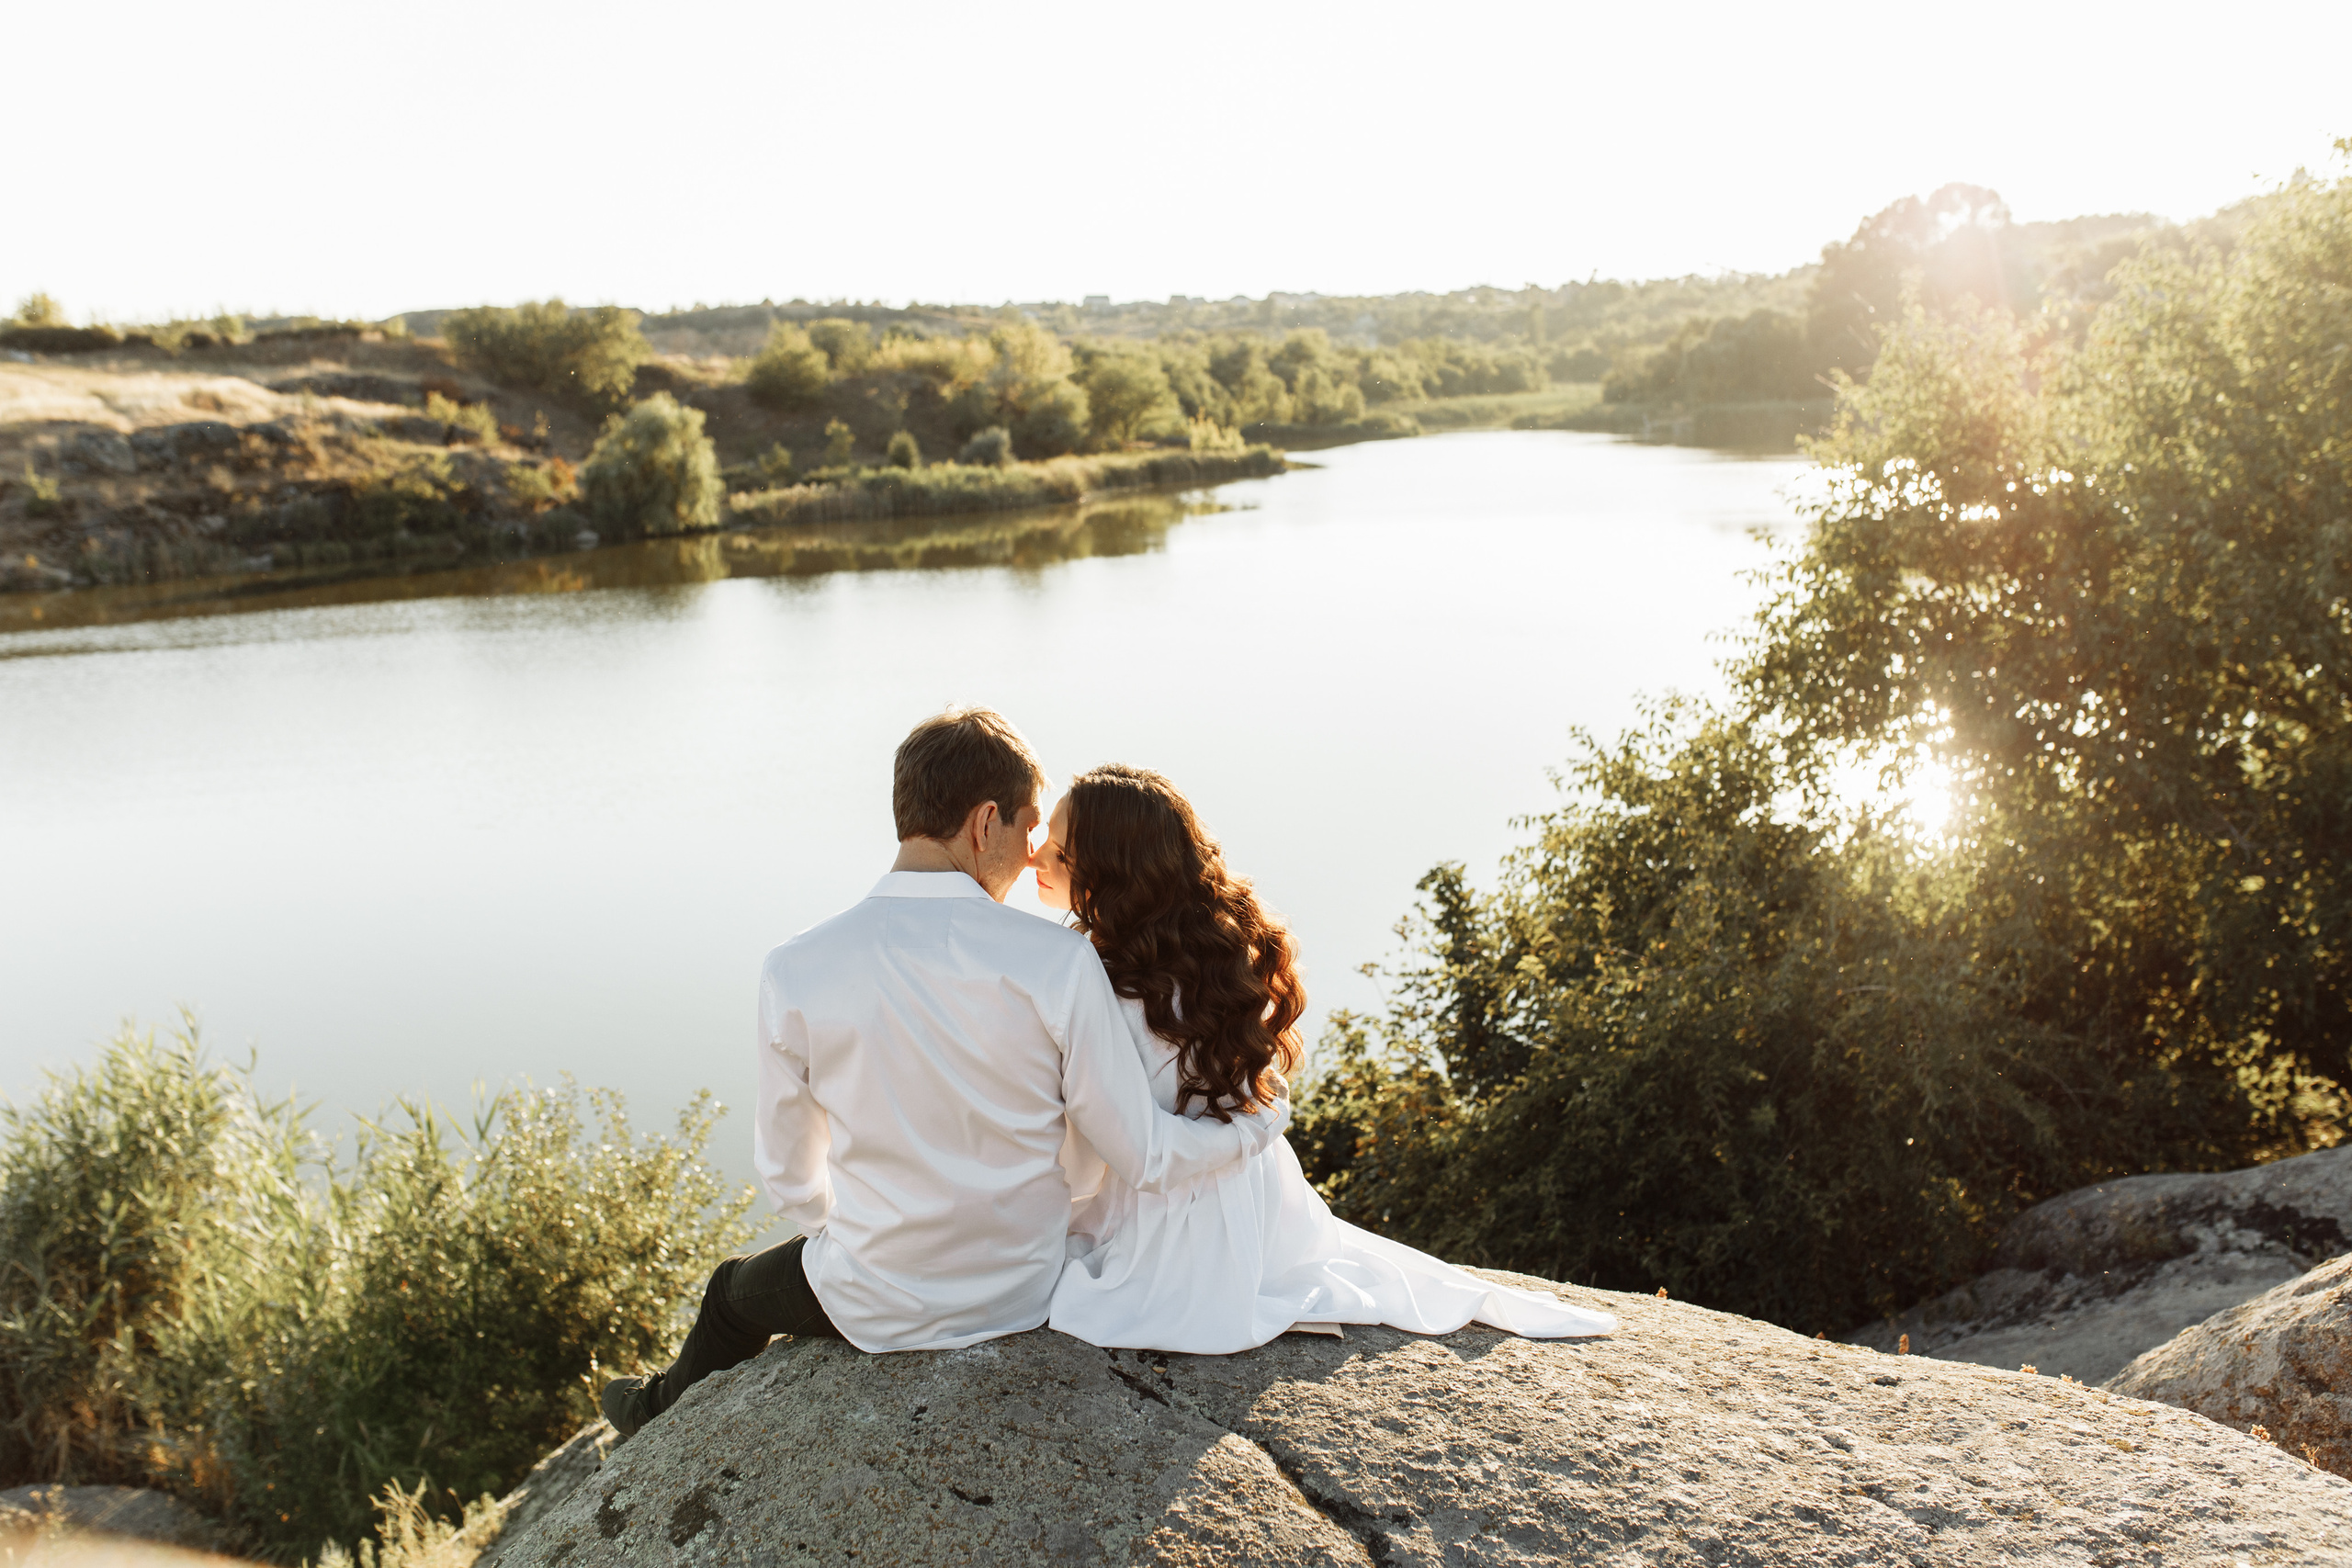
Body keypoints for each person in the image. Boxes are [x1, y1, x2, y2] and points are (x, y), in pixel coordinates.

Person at [601, 710, 1287, 1437]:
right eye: (1030, 829)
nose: (1034, 857)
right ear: (985, 822)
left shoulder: (796, 967)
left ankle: (647, 1413)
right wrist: (1256, 1124)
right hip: (1025, 1287)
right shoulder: (1056, 961)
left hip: (876, 1297)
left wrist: (865, 1236)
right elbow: (1138, 1154)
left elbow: (788, 1176)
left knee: (730, 1293)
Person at [1036, 763, 1616, 1351]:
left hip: (1176, 1220)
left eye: (1057, 852)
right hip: (1250, 1203)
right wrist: (1261, 1121)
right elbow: (1231, 1097)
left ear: (1111, 876)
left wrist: (1254, 1125)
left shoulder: (1106, 982)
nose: (1036, 859)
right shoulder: (1203, 953)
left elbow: (1132, 1151)